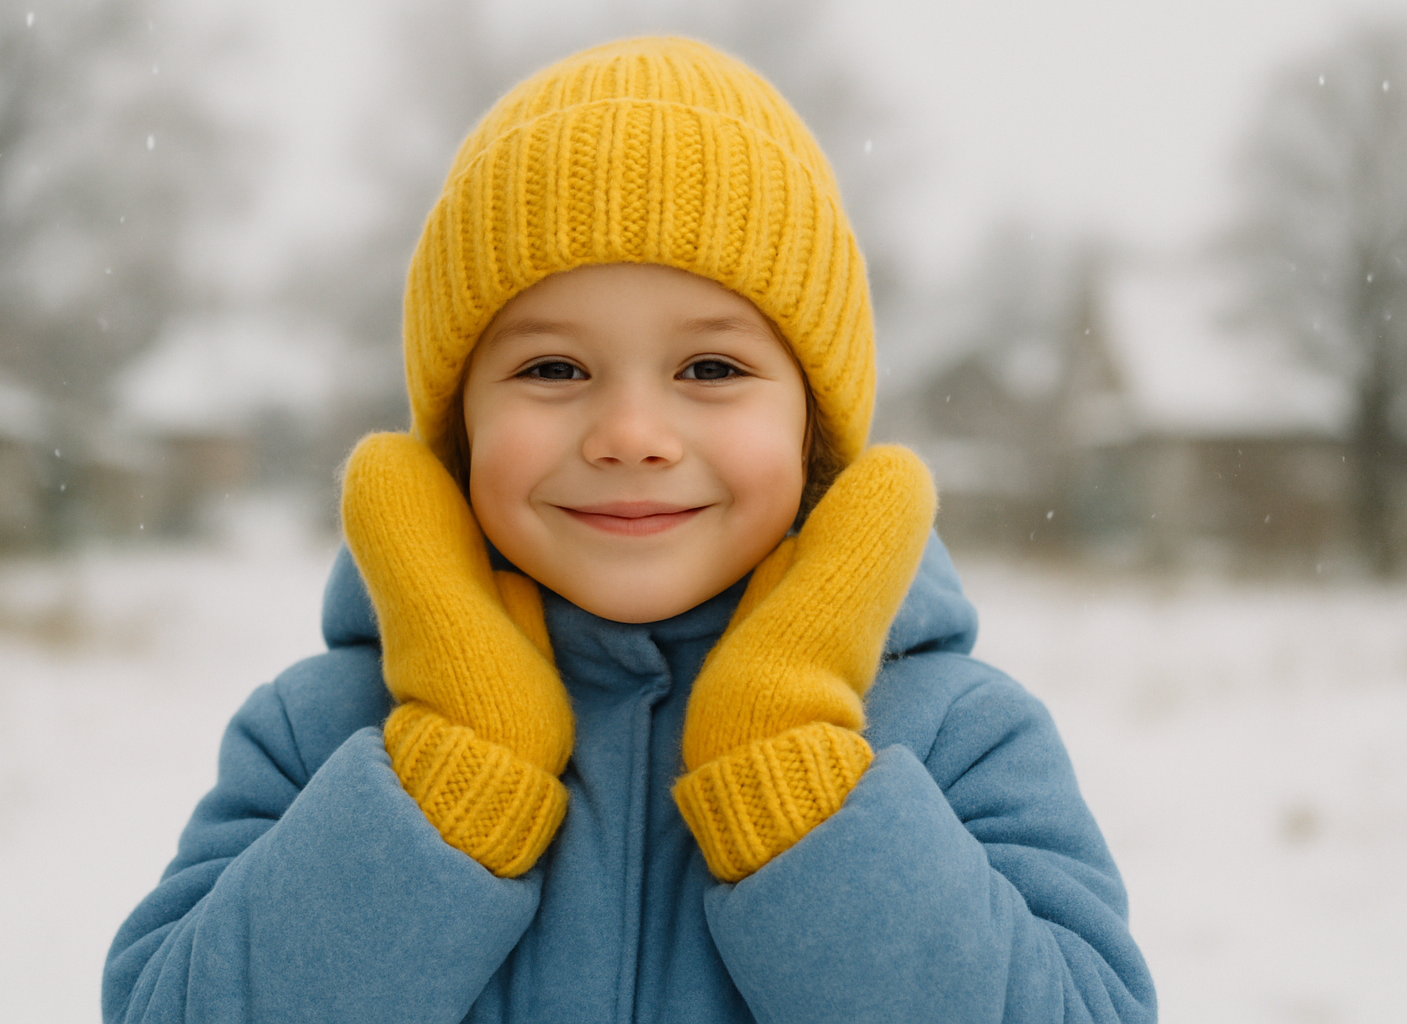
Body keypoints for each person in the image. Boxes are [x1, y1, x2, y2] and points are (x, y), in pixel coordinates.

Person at [103, 36, 1156, 1023]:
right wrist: (451, 779)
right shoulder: (324, 730)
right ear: (462, 428)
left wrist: (794, 779)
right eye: (552, 369)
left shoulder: (957, 737)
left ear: (813, 428)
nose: (631, 433)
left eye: (711, 368)